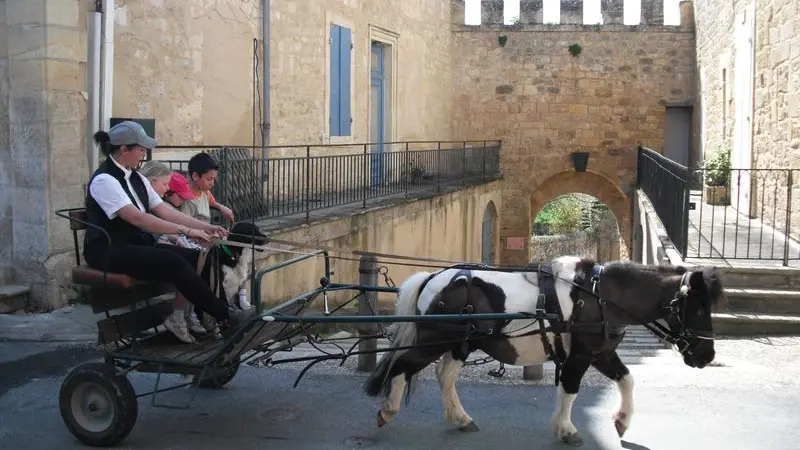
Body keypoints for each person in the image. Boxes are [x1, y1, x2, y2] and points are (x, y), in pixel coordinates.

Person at [83, 121, 252, 339]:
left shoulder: (137, 178)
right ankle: (225, 317)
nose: (143, 155)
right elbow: (138, 218)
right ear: (124, 149)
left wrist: (205, 226)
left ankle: (220, 318)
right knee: (173, 261)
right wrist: (186, 231)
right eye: (141, 150)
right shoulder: (105, 180)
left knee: (203, 258)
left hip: (135, 244)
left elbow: (165, 210)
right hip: (108, 250)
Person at [138, 161, 206, 342]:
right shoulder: (148, 201)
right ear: (152, 182)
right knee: (186, 260)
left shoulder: (154, 200)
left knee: (196, 258)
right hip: (141, 250)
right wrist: (183, 234)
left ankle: (186, 314)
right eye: (165, 185)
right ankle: (180, 315)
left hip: (149, 245)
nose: (167, 189)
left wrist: (199, 231)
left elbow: (167, 226)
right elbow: (150, 229)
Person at [179, 152, 234, 224]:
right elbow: (185, 224)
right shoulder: (186, 199)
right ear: (195, 176)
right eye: (209, 179)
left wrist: (223, 208)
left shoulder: (205, 192)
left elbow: (212, 202)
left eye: (214, 179)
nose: (212, 183)